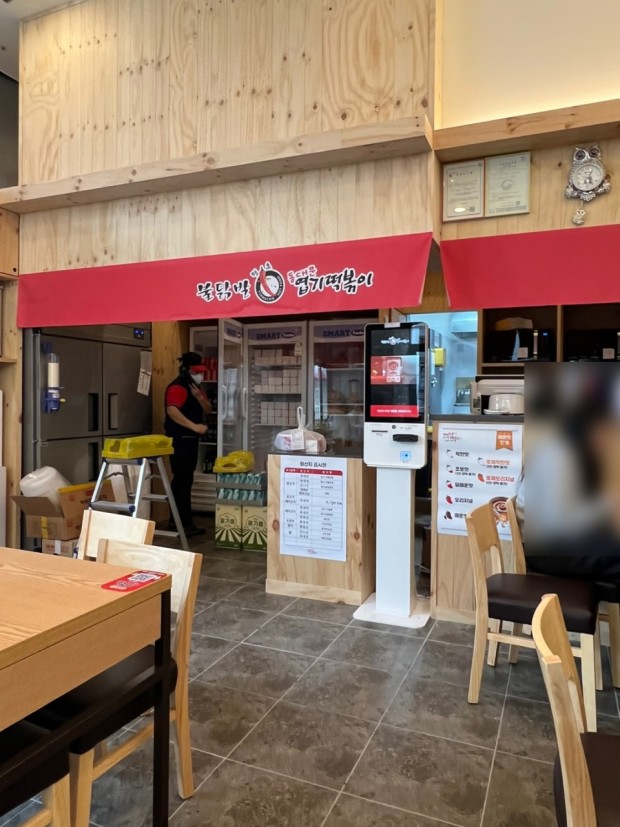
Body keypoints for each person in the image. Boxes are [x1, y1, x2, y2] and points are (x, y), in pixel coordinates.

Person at [164, 352, 212, 537]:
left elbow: (208, 409)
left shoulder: (195, 387)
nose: (199, 375)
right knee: (182, 481)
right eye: (196, 371)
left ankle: (178, 521)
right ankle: (182, 523)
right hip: (180, 439)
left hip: (190, 440)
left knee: (185, 479)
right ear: (186, 369)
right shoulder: (177, 386)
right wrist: (194, 426)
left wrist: (200, 398)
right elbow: (172, 410)